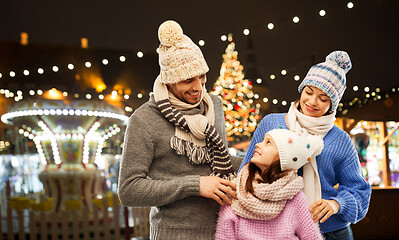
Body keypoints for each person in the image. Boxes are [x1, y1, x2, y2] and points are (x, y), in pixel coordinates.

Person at [118, 20, 242, 240]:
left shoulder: (214, 106)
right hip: (174, 234)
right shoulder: (144, 119)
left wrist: (261, 159)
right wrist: (195, 185)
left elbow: (219, 160)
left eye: (201, 76)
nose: (198, 87)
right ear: (168, 80)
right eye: (187, 80)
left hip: (225, 229)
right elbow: (129, 190)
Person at [239, 51, 372, 240]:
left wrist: (337, 204)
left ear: (332, 105)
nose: (312, 101)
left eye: (323, 98)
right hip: (277, 229)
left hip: (331, 232)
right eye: (308, 92)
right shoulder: (271, 123)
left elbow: (360, 191)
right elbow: (246, 171)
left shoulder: (340, 139)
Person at [215, 129, 324, 240]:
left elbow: (312, 237)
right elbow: (224, 236)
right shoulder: (237, 190)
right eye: (262, 141)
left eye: (268, 142)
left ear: (283, 157)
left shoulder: (296, 199)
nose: (257, 144)